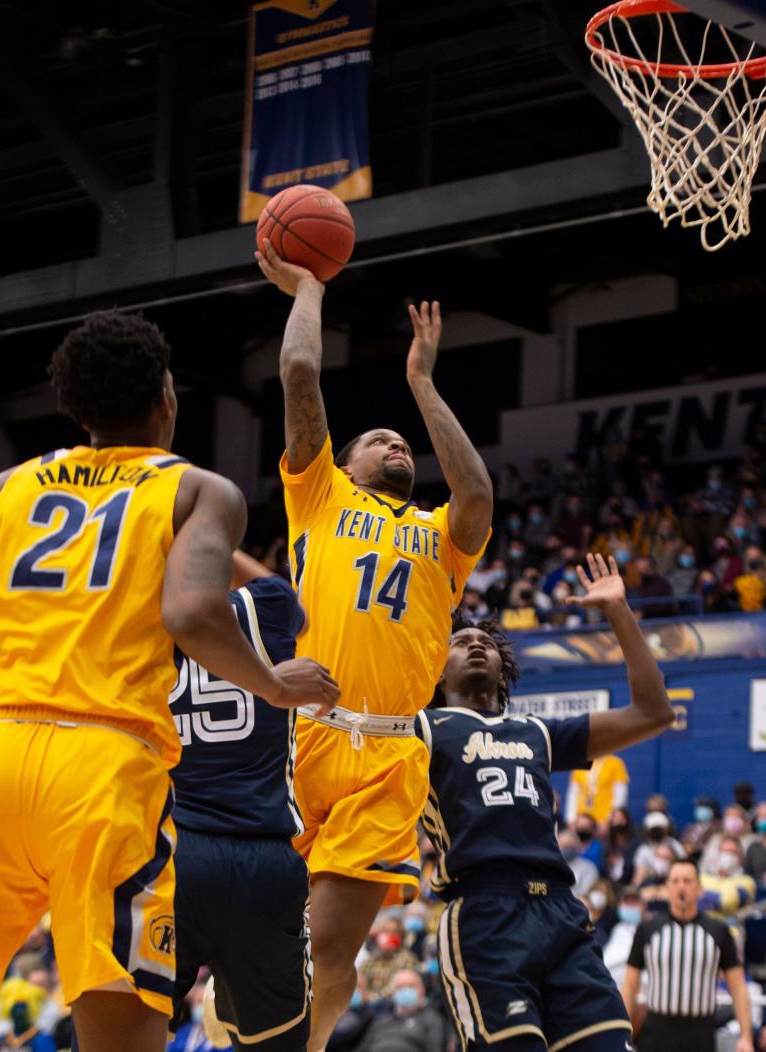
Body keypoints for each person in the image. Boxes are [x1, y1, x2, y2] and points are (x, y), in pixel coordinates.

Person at [0, 311, 338, 1052]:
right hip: (103, 774)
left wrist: (2, 728)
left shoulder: (4, 488)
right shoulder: (199, 489)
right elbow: (195, 612)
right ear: (165, 397)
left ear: (73, 403)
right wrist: (273, 684)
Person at [256, 239, 493, 1051]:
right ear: (342, 464)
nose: (397, 445)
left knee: (328, 948)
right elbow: (298, 377)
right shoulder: (317, 496)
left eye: (404, 443)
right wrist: (309, 288)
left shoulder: (441, 536)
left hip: (387, 759)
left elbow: (477, 491)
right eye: (379, 439)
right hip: (300, 740)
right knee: (262, 942)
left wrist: (421, 384)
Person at [417, 553, 676, 1051]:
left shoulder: (537, 731)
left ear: (503, 668)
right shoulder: (421, 728)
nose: (475, 646)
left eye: (486, 643)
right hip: (484, 913)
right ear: (435, 669)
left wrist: (619, 610)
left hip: (561, 911)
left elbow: (654, 712)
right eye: (460, 642)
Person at [168, 549, 317, 1051]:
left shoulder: (128, 624)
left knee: (118, 1035)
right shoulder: (268, 606)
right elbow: (295, 604)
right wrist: (200, 534)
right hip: (263, 857)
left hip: (168, 857)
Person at [623, 859, 754, 1052]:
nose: (681, 886)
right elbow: (629, 985)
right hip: (656, 1033)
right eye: (675, 881)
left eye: (687, 880)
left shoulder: (718, 931)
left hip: (700, 1034)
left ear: (699, 888)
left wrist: (746, 1037)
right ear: (667, 887)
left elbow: (738, 986)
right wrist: (621, 1033)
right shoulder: (648, 930)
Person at [356, 968, 447, 1052]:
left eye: (411, 986)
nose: (406, 991)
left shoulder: (432, 1020)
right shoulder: (381, 1021)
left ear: (422, 991)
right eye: (400, 987)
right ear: (393, 994)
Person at [563, 753, 630, 828]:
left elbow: (620, 793)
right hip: (582, 819)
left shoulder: (616, 763)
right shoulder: (581, 762)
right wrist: (571, 818)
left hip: (605, 820)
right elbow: (573, 793)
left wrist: (611, 818)